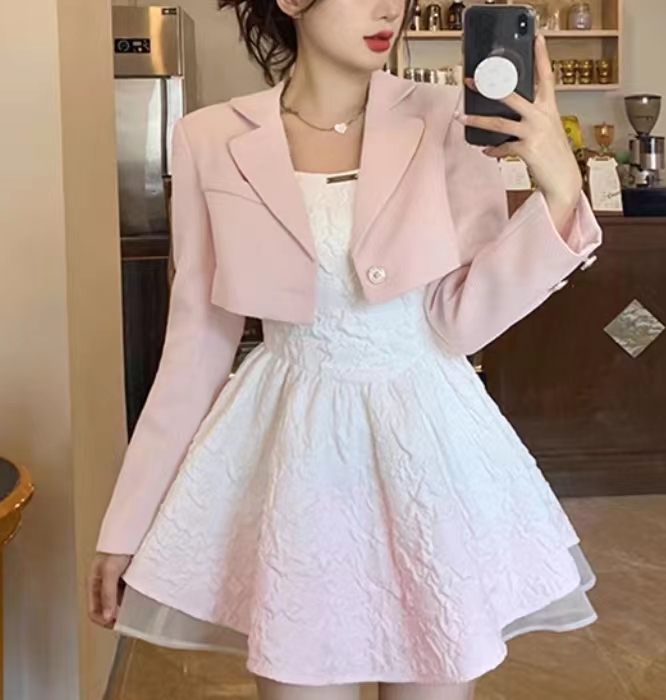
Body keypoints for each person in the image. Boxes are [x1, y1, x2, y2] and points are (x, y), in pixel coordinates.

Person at [88, 1, 602, 699]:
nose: (389, 7)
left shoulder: (450, 120)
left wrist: (561, 188)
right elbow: (196, 346)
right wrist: (128, 522)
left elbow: (460, 324)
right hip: (293, 456)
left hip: (428, 449)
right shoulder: (210, 137)